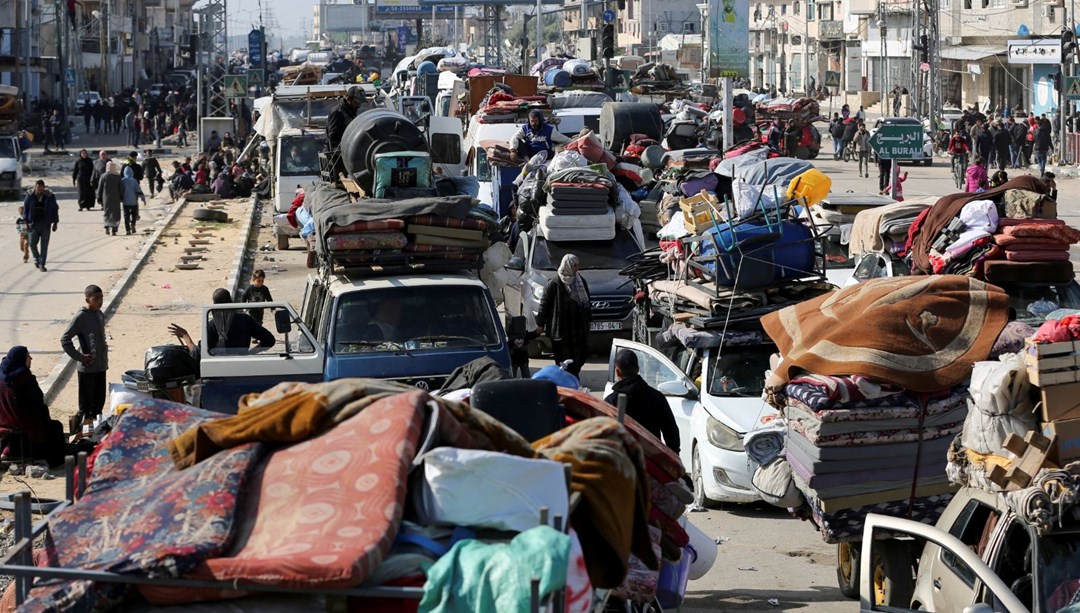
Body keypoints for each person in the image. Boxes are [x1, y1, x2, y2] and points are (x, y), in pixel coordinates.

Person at [0, 346, 66, 468]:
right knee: (55, 427)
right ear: (21, 359)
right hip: (21, 422)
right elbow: (37, 401)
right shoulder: (24, 378)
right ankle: (55, 461)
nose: (31, 358)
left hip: (4, 420)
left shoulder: (2, 375)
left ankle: (9, 451)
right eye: (28, 356)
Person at [604, 349, 680, 454]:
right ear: (638, 369)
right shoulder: (657, 397)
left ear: (617, 372)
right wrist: (674, 458)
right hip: (653, 461)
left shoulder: (611, 401)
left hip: (624, 462)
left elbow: (604, 438)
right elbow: (671, 432)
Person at [168, 288, 275, 355]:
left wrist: (186, 336)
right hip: (243, 366)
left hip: (218, 371)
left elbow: (197, 354)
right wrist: (250, 354)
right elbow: (269, 340)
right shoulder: (245, 320)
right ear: (231, 302)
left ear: (215, 306)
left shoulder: (213, 326)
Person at [536, 254, 591, 378]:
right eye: (574, 265)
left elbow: (587, 303)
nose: (576, 268)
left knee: (580, 354)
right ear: (567, 266)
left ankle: (574, 374)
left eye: (577, 265)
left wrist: (589, 320)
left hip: (577, 327)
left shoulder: (580, 281)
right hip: (560, 326)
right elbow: (544, 304)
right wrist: (540, 323)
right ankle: (567, 378)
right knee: (562, 356)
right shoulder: (554, 283)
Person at [60, 285, 108, 425]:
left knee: (98, 405)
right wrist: (80, 357)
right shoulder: (81, 317)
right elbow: (65, 340)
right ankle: (82, 433)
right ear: (88, 300)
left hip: (100, 366)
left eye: (101, 297)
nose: (100, 301)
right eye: (96, 298)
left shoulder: (100, 314)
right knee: (86, 408)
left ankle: (96, 436)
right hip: (87, 369)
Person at [23, 180, 59, 271]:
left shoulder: (50, 196)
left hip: (45, 224)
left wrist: (55, 222)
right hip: (33, 224)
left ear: (44, 188)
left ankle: (42, 264)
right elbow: (26, 210)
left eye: (41, 189)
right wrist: (26, 223)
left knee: (44, 246)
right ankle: (37, 259)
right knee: (32, 244)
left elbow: (55, 209)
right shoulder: (30, 195)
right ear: (35, 187)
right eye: (38, 189)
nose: (39, 191)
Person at [326, 85, 366, 154]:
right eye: (356, 102)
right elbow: (333, 138)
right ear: (349, 99)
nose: (359, 105)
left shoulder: (351, 111)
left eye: (360, 103)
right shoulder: (338, 112)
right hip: (338, 156)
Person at [97, 161, 123, 236]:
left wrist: (98, 197)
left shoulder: (103, 176)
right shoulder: (118, 176)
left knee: (107, 212)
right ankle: (114, 229)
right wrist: (121, 197)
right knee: (115, 213)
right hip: (116, 197)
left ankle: (107, 226)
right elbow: (121, 188)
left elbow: (100, 188)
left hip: (106, 198)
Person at [120, 165, 146, 235]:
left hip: (125, 201)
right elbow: (138, 190)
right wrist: (143, 198)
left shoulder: (122, 180)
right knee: (134, 214)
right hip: (134, 201)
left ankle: (128, 230)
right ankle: (133, 225)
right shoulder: (134, 181)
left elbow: (120, 191)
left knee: (126, 215)